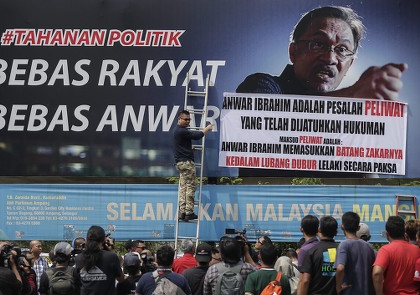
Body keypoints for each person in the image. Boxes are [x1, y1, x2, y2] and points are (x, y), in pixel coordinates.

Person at [236, 6, 407, 177]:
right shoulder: (261, 85)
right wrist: (351, 96)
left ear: (350, 65)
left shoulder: (355, 123)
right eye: (318, 44)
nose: (330, 58)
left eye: (341, 50)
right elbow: (261, 127)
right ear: (293, 52)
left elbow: (368, 190)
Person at [173, 109, 213, 221]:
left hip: (180, 162)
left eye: (189, 120)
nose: (187, 122)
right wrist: (207, 129)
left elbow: (180, 146)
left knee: (184, 187)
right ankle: (189, 212)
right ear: (179, 119)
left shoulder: (177, 131)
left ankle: (182, 212)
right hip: (186, 163)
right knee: (190, 186)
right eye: (185, 119)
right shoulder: (182, 130)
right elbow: (197, 135)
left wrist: (189, 149)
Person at [373, 216, 420, 295]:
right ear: (404, 232)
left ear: (387, 234)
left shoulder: (385, 250)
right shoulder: (417, 250)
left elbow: (377, 272)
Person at [74, 225, 124, 295]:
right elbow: (121, 279)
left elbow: (77, 281)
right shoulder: (111, 257)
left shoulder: (79, 258)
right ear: (103, 239)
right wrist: (112, 250)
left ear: (86, 239)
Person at [335, 212, 375, 295]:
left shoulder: (344, 245)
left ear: (342, 226)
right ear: (358, 227)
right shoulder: (369, 247)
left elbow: (340, 268)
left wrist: (338, 287)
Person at [297, 216, 338, 295]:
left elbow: (305, 280)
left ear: (319, 230)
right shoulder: (340, 251)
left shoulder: (312, 251)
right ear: (336, 232)